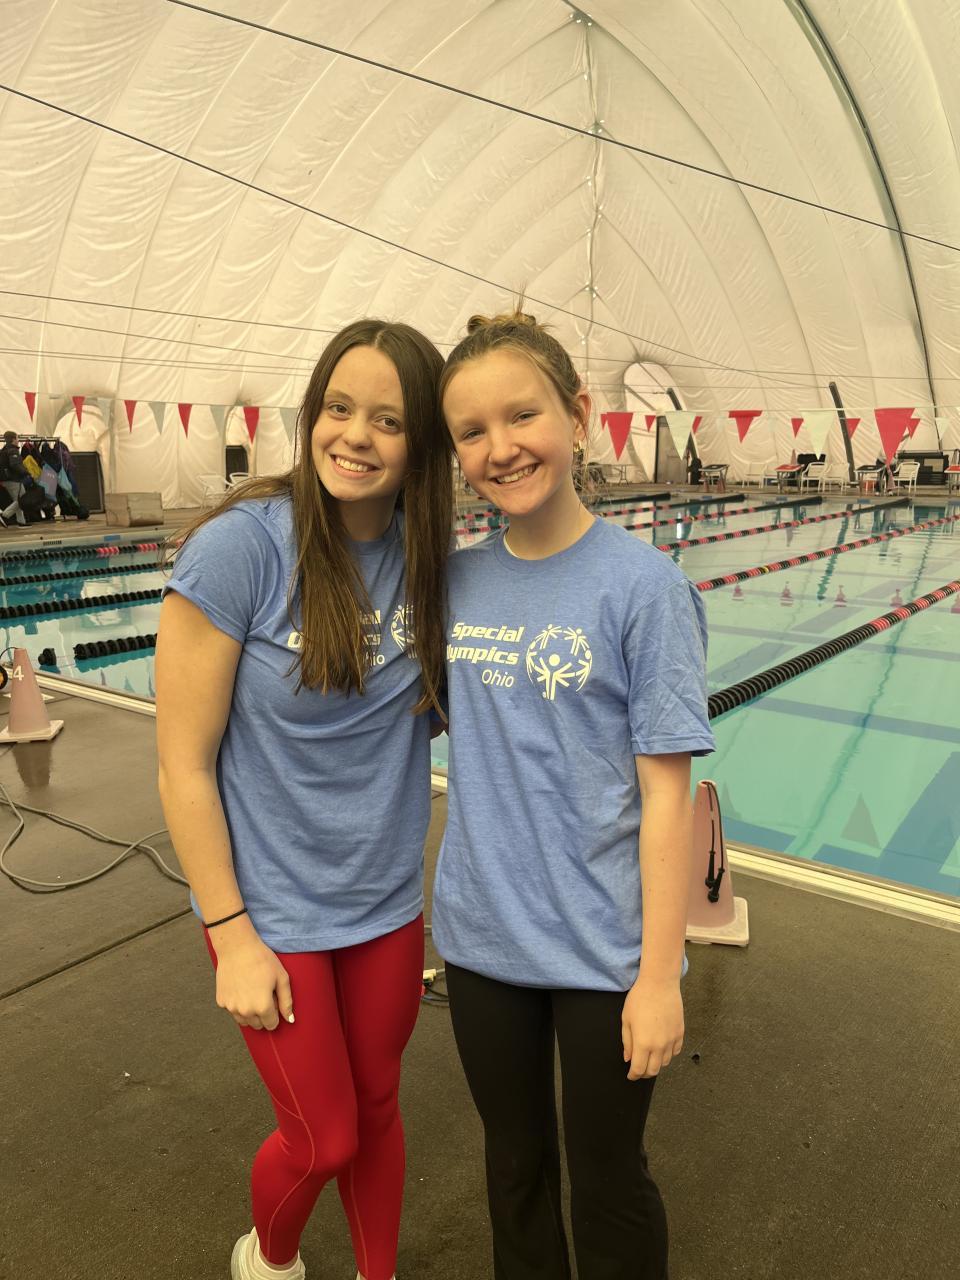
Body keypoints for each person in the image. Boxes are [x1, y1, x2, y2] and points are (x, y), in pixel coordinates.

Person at [156, 319, 451, 1280]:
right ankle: (269, 1260)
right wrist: (230, 932)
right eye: (338, 407)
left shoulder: (429, 559)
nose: (355, 435)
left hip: (383, 904)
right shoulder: (240, 552)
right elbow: (183, 767)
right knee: (323, 1136)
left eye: (388, 420)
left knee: (378, 1107)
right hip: (271, 911)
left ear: (422, 445)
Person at [434, 309, 715, 1280]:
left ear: (580, 415)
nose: (501, 447)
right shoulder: (456, 582)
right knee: (513, 1169)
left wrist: (658, 976)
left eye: (523, 415)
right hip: (482, 938)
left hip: (604, 950)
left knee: (607, 1179)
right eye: (473, 431)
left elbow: (667, 799)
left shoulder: (644, 589)